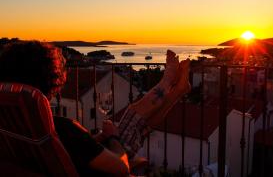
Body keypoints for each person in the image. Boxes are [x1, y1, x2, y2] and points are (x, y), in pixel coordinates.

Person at [0, 41, 190, 176]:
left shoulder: (14, 123)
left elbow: (69, 149)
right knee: (133, 114)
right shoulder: (63, 128)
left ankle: (175, 90)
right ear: (51, 78)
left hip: (78, 161)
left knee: (139, 124)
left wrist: (95, 139)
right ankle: (168, 84)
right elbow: (122, 167)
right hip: (105, 167)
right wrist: (113, 136)